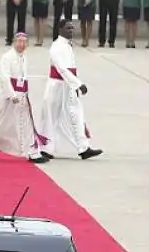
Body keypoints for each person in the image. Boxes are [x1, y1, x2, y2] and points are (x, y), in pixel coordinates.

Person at [0, 34, 49, 163]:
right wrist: (12, 95)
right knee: (1, 124)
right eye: (19, 42)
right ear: (14, 42)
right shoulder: (7, 57)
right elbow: (5, 77)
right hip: (9, 97)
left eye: (24, 42)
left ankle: (33, 152)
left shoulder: (24, 58)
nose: (22, 45)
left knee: (27, 124)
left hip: (22, 95)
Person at [39, 20, 103, 160]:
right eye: (68, 28)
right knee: (52, 116)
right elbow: (61, 69)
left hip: (69, 86)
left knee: (77, 114)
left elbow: (72, 68)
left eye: (72, 28)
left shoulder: (68, 45)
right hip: (57, 86)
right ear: (60, 29)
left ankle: (83, 147)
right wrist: (78, 83)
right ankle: (46, 148)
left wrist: (75, 84)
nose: (71, 31)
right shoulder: (56, 46)